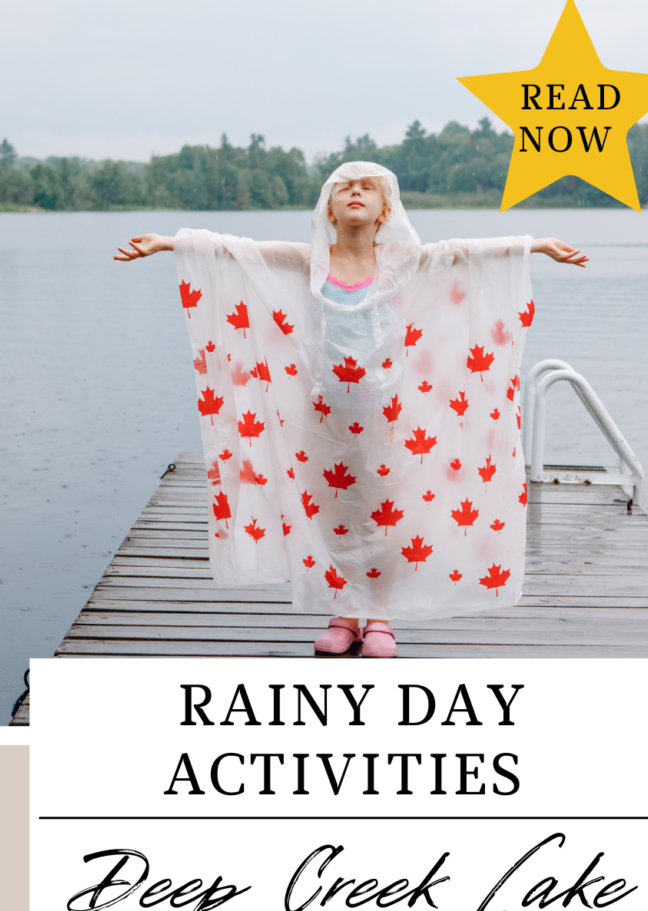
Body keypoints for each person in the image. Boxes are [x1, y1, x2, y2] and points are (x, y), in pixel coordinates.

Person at [114, 161, 587, 658]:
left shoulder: (404, 262)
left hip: (389, 411)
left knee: (384, 510)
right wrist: (171, 242)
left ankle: (379, 617)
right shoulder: (310, 262)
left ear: (385, 211)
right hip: (322, 413)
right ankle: (343, 612)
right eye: (345, 189)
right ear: (330, 209)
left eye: (367, 189)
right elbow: (241, 253)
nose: (356, 194)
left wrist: (536, 245)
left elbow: (465, 254)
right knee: (332, 509)